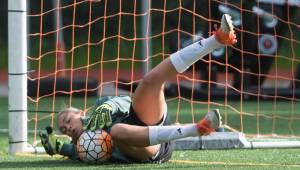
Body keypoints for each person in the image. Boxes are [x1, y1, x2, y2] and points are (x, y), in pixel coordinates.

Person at [40, 14, 237, 163]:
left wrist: (109, 106)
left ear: (80, 112)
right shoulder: (82, 148)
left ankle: (217, 39)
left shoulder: (100, 106)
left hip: (143, 118)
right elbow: (72, 151)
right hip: (152, 150)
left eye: (67, 120)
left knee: (151, 80)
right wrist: (59, 148)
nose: (68, 128)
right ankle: (197, 128)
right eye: (64, 129)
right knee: (116, 132)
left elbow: (125, 102)